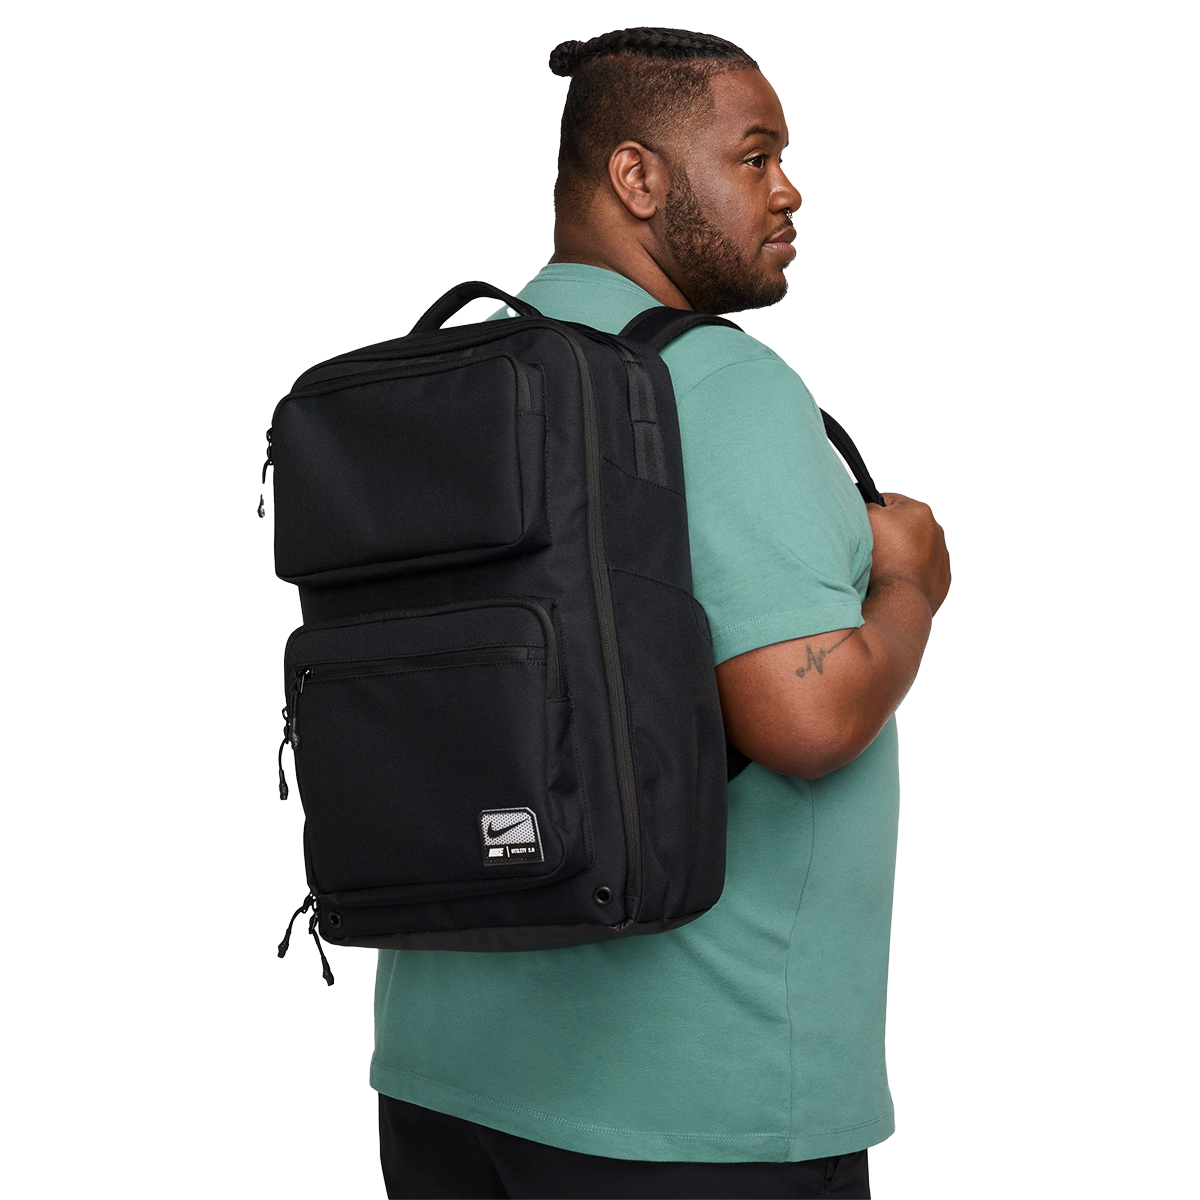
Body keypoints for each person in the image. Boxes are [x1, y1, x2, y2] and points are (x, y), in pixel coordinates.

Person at [372, 26, 950, 1200]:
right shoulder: (717, 387)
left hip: (443, 1081)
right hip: (690, 1106)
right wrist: (910, 583)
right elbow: (806, 719)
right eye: (755, 156)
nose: (788, 191)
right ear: (637, 176)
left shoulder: (456, 375)